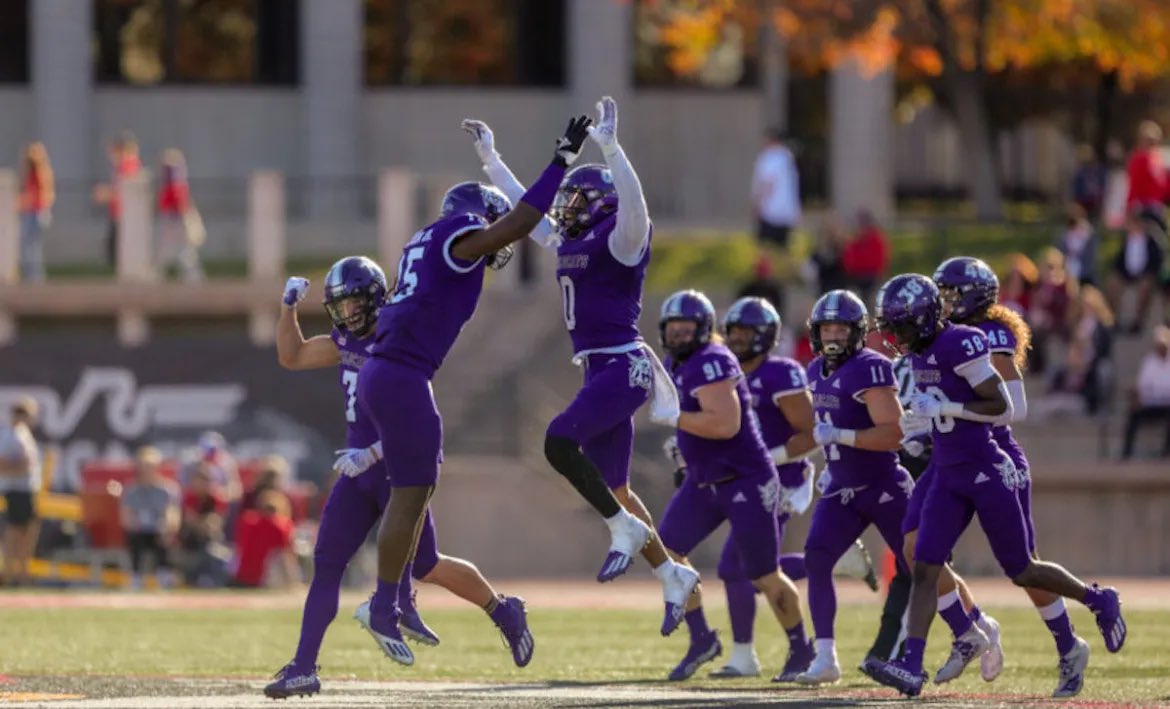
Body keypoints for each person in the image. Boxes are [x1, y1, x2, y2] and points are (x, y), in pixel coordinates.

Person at [352, 114, 592, 667]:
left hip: (389, 373)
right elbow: (520, 223)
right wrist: (560, 161)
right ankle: (387, 604)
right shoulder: (458, 237)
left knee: (419, 516)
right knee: (410, 496)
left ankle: (460, 606)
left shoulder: (423, 242)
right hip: (403, 374)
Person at [464, 99, 696, 633]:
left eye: (577, 200)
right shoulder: (572, 239)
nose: (566, 209)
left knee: (556, 441)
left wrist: (613, 149)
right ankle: (671, 576)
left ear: (602, 204)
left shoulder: (622, 237)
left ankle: (625, 532)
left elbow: (637, 208)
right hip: (599, 369)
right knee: (615, 488)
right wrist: (491, 161)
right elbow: (527, 216)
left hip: (624, 366)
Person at [266, 256, 534, 697]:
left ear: (374, 299)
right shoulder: (346, 338)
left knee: (426, 564)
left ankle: (503, 610)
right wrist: (288, 309)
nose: (346, 314)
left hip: (398, 470)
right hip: (357, 468)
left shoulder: (399, 340)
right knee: (327, 562)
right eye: (339, 305)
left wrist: (374, 452)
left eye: (352, 303)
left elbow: (416, 424)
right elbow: (292, 355)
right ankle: (303, 666)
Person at [868, 273, 1126, 698]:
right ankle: (915, 662)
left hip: (988, 465)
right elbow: (943, 409)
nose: (896, 335)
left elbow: (1003, 405)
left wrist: (944, 408)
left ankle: (1095, 603)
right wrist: (924, 426)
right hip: (947, 467)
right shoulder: (921, 350)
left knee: (1022, 567)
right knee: (923, 562)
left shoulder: (968, 339)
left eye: (901, 325)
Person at [936, 257, 1092, 697]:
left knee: (1023, 566)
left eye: (951, 293)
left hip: (993, 455)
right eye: (941, 293)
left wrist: (946, 410)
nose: (944, 302)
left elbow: (1013, 407)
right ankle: (972, 629)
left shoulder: (993, 333)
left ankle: (1069, 642)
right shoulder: (937, 334)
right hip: (950, 455)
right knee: (917, 549)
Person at [704, 296, 877, 679]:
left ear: (765, 336)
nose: (736, 340)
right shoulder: (723, 372)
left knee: (738, 566)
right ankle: (747, 654)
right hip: (742, 477)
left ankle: (763, 653)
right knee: (746, 568)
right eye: (732, 332)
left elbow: (810, 434)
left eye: (746, 333)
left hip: (781, 477)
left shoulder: (782, 372)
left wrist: (767, 458)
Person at [653, 290, 812, 682]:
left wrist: (675, 419)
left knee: (761, 573)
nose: (677, 334)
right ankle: (702, 637)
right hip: (705, 479)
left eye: (685, 327)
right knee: (667, 551)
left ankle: (802, 648)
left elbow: (725, 424)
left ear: (704, 329)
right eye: (672, 327)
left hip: (746, 478)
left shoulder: (713, 360)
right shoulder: (678, 362)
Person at [795, 290, 913, 685]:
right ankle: (825, 656)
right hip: (843, 486)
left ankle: (973, 627)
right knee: (817, 557)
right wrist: (830, 462)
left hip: (882, 484)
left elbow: (894, 434)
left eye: (840, 328)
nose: (833, 335)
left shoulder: (871, 368)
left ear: (857, 332)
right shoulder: (814, 371)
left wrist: (841, 437)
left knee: (923, 565)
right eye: (826, 327)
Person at [120, 446, 180, 590]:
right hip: (139, 531)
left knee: (163, 536)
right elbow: (126, 517)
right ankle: (135, 576)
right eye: (144, 466)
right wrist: (136, 524)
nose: (147, 470)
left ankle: (164, 574)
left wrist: (168, 527)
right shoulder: (131, 490)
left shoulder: (167, 489)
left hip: (159, 531)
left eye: (150, 467)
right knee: (134, 537)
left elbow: (173, 515)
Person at [0, 397, 41, 587]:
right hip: (16, 489)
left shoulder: (23, 434)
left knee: (27, 533)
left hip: (26, 489)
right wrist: (23, 466)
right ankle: (9, 574)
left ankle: (21, 574)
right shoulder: (11, 435)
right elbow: (3, 463)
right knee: (14, 533)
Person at [1106, 209, 1164, 334]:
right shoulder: (1126, 239)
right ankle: (1112, 319)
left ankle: (1138, 322)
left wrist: (1149, 273)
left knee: (1145, 287)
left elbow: (1156, 260)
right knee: (1112, 284)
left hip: (1144, 274)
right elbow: (1119, 259)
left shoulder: (1151, 240)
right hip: (1126, 273)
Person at [92, 132, 142, 268]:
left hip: (124, 215)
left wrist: (105, 193)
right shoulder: (121, 167)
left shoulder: (128, 166)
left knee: (118, 249)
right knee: (115, 250)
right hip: (119, 214)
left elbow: (123, 190)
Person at [1121, 325, 1170, 460]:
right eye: (1159, 344)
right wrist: (1137, 397)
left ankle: (1165, 454)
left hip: (1167, 405)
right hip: (1150, 404)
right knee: (1133, 414)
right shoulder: (1148, 362)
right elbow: (1141, 386)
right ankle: (1126, 453)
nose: (1161, 347)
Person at [156, 148, 205, 282]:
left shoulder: (175, 182)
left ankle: (192, 276)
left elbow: (179, 201)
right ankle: (191, 275)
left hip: (175, 219)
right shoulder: (176, 182)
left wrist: (181, 217)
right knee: (174, 250)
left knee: (181, 250)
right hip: (173, 218)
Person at [751, 128, 801, 250]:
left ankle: (767, 268)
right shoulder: (786, 157)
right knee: (783, 246)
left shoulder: (771, 158)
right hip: (785, 210)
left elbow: (767, 183)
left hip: (770, 210)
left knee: (765, 245)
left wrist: (758, 204)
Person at [17, 142, 54, 282]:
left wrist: (21, 203)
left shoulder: (39, 172)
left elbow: (38, 195)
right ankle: (33, 277)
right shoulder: (37, 172)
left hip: (35, 213)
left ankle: (34, 278)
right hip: (36, 212)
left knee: (31, 248)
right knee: (31, 247)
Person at [1056, 202, 1098, 286]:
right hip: (1065, 274)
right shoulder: (1063, 236)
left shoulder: (1089, 236)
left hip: (1084, 275)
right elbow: (1059, 254)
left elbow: (1090, 259)